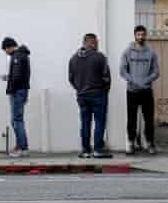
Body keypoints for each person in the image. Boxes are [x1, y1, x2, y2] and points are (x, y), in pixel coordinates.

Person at [69, 33, 111, 159]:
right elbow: (106, 77)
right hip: (98, 94)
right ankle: (98, 150)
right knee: (99, 122)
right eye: (96, 42)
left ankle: (85, 150)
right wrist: (104, 91)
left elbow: (71, 79)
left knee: (85, 122)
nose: (97, 44)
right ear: (92, 42)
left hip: (82, 95)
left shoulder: (73, 59)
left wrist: (80, 89)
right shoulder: (100, 57)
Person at [120, 25, 160, 155]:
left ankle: (150, 143)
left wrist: (146, 81)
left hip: (147, 91)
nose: (141, 37)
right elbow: (122, 71)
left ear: (146, 35)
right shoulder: (127, 52)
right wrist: (134, 81)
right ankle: (131, 143)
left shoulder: (151, 53)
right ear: (135, 35)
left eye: (143, 34)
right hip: (132, 91)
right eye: (138, 34)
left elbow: (156, 72)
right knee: (131, 119)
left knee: (149, 119)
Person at [0, 37, 31, 157]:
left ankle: (22, 148)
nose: (6, 53)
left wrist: (11, 87)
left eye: (5, 50)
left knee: (17, 120)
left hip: (17, 91)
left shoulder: (17, 56)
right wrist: (8, 77)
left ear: (9, 47)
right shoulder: (22, 55)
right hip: (21, 90)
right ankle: (20, 146)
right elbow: (17, 74)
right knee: (16, 120)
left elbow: (17, 76)